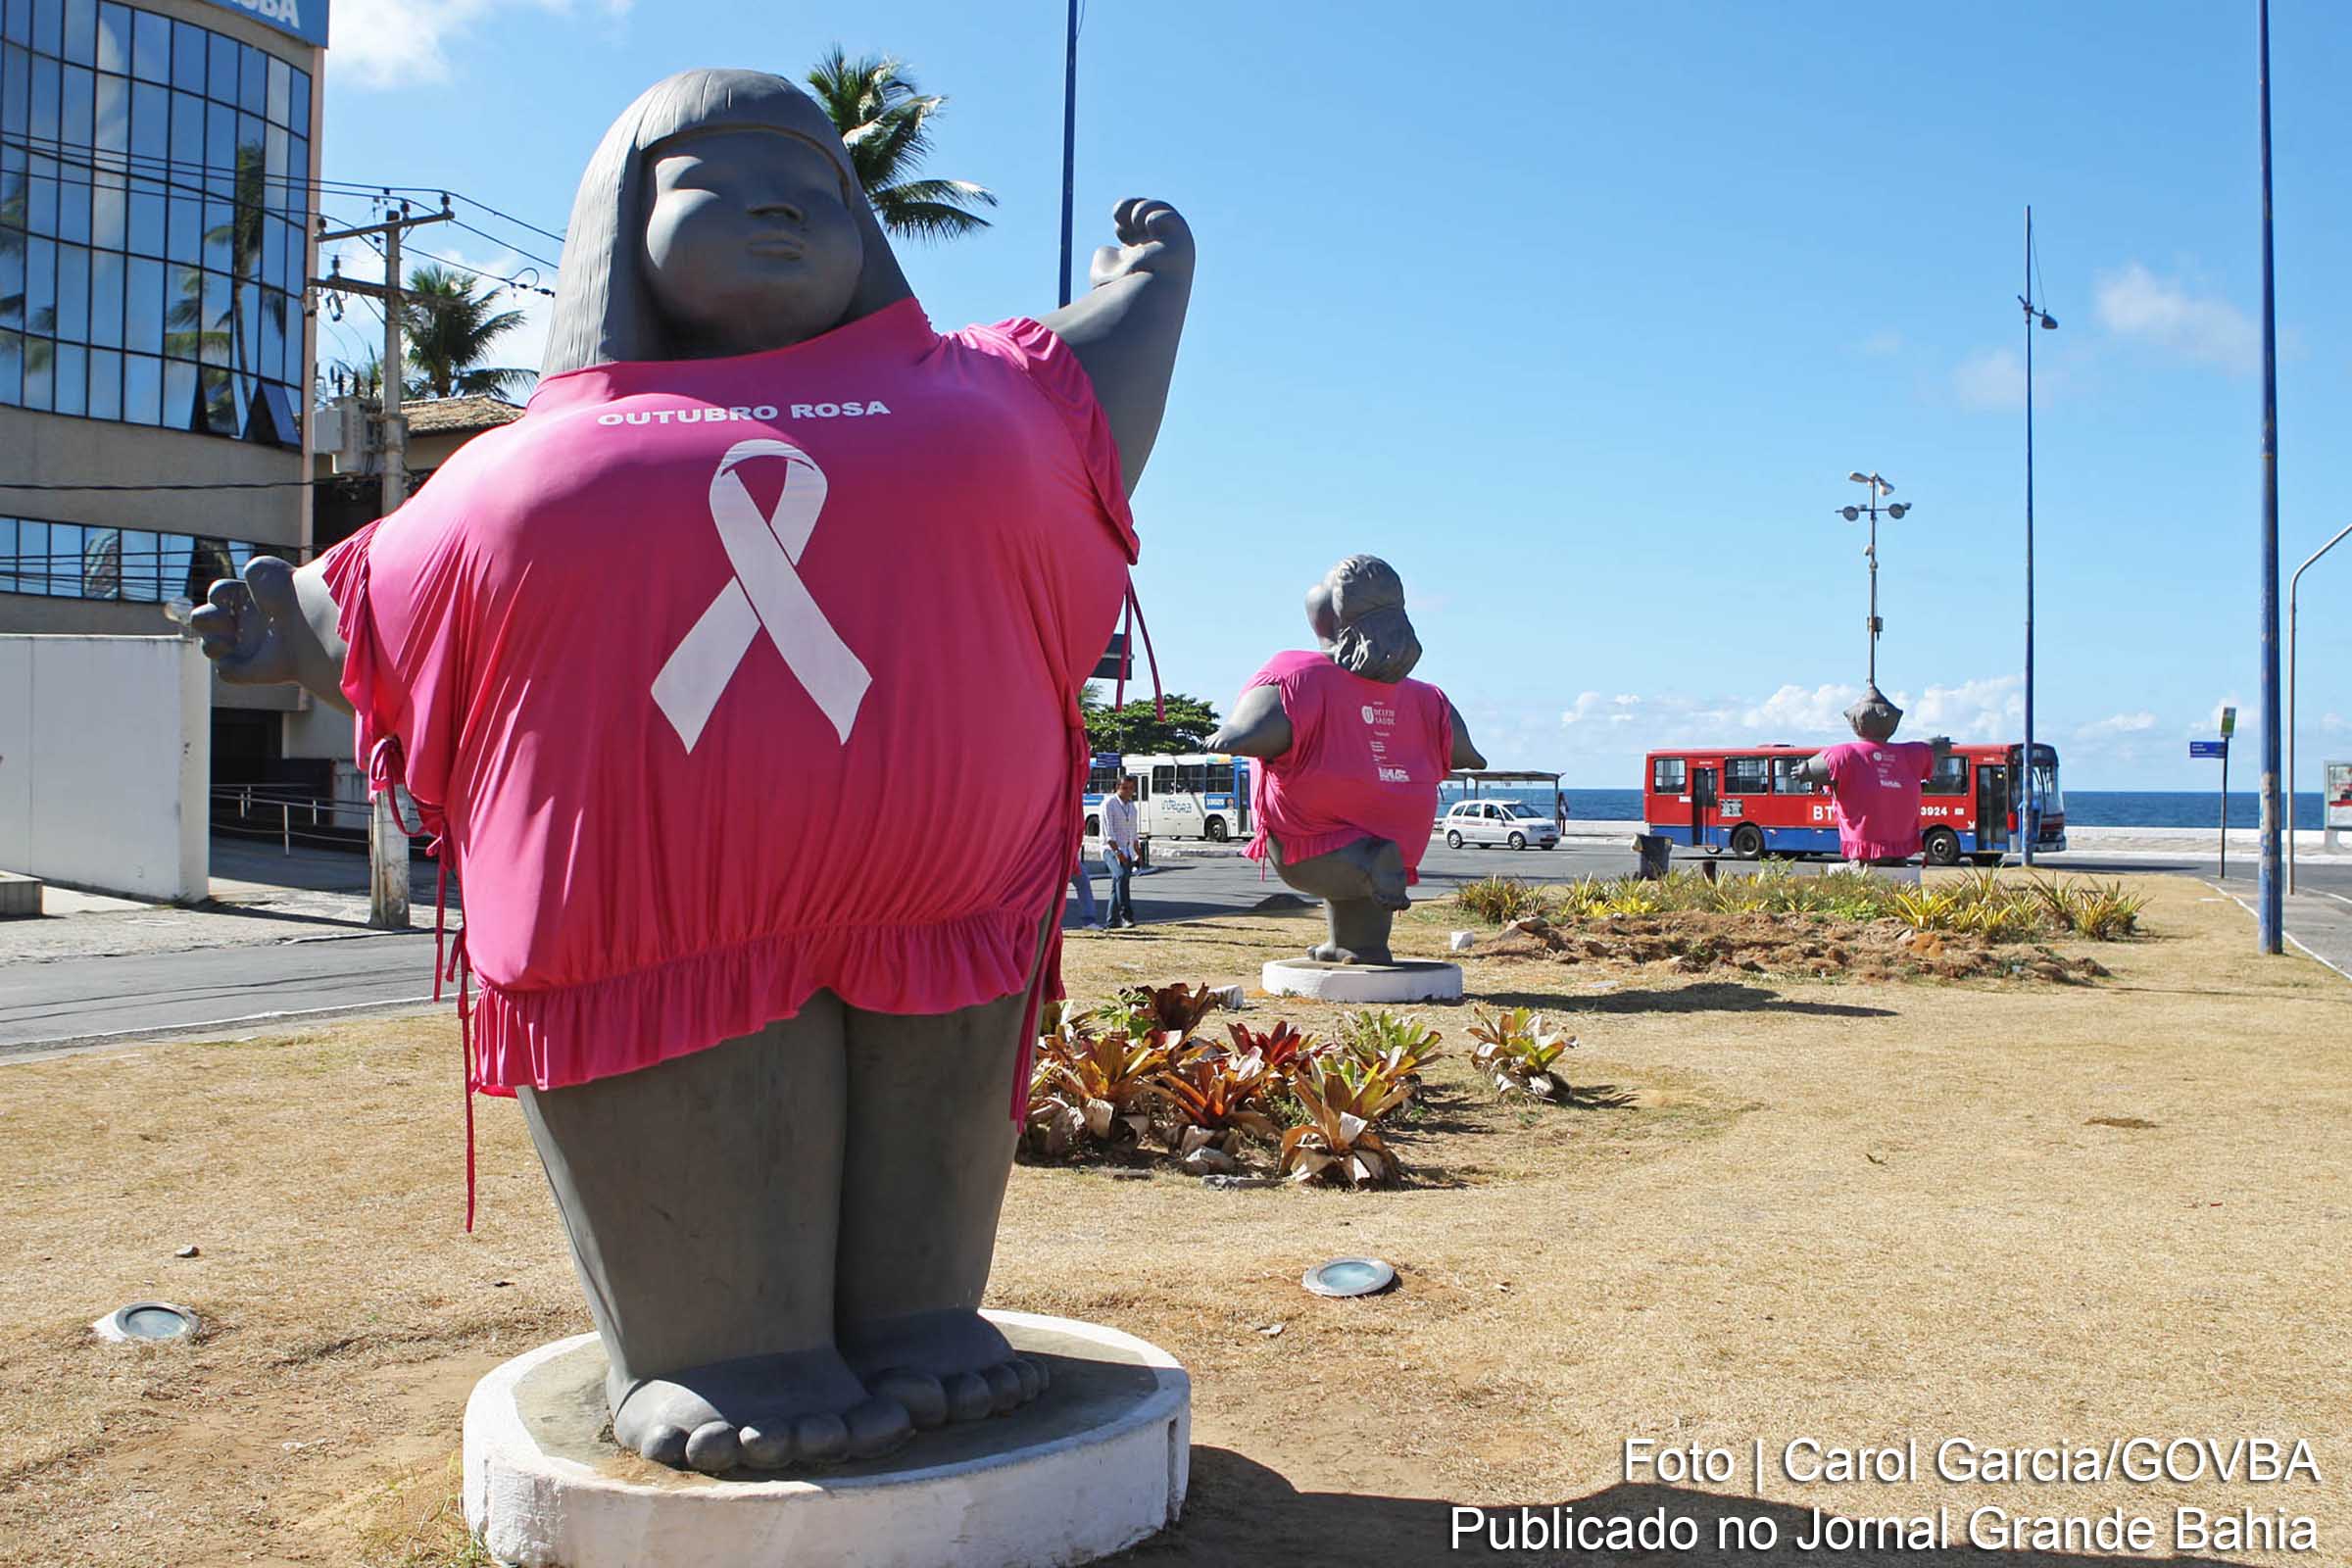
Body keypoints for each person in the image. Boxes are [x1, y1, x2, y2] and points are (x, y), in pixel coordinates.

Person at [187, 69, 1196, 1473]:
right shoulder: (531, 457)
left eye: (816, 181)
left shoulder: (981, 392)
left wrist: (1153, 279)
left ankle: (917, 1314)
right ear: (622, 221)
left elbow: (1093, 394)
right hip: (659, 926)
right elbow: (371, 593)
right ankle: (716, 1347)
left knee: (932, 1166)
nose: (780, 200)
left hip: (956, 906)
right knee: (725, 1224)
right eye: (715, 179)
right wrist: (275, 621)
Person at [1102, 774, 1141, 928]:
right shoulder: (1109, 804)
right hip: (1110, 848)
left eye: (1131, 788)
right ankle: (1126, 915)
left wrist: (1137, 851)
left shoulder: (1132, 807)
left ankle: (1112, 921)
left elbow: (1133, 831)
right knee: (1120, 875)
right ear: (1117, 787)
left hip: (1127, 849)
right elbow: (1108, 832)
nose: (1128, 791)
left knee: (1119, 883)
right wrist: (1118, 852)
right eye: (1124, 788)